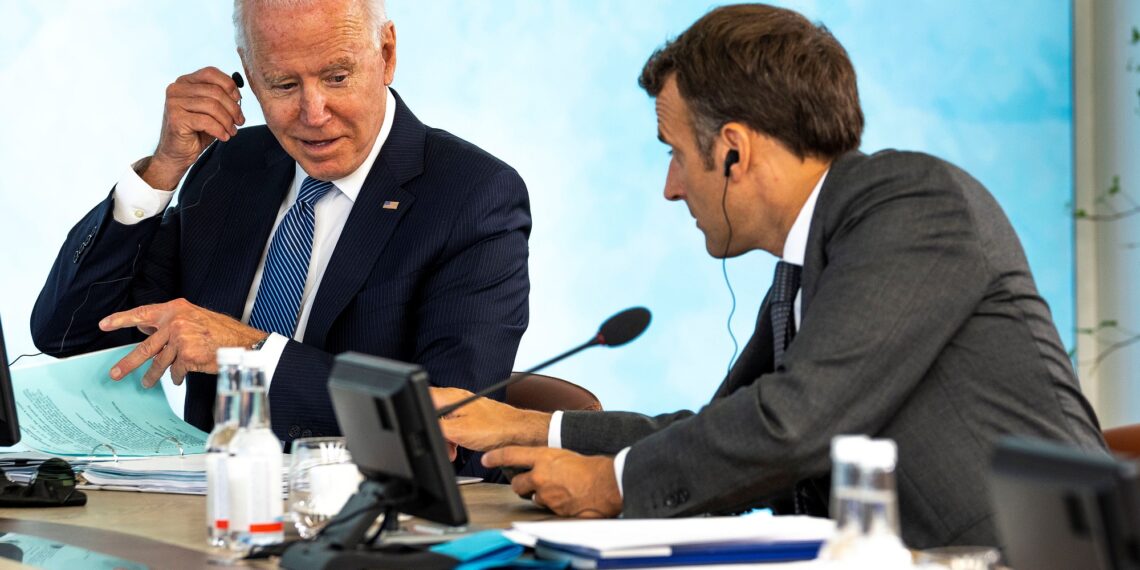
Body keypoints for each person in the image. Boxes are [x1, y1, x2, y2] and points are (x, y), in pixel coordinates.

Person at [432, 3, 1106, 548]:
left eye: (674, 155)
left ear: (733, 151)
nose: (671, 189)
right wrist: (529, 428)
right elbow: (727, 428)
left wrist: (612, 482)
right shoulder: (808, 260)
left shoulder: (916, 204)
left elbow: (792, 424)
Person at [31, 0, 530, 456]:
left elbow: (450, 425)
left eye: (336, 77)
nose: (313, 114)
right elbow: (69, 335)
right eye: (284, 85)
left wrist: (249, 351)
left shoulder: (474, 197)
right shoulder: (230, 167)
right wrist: (163, 170)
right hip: (203, 511)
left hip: (364, 521)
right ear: (249, 75)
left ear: (387, 54)